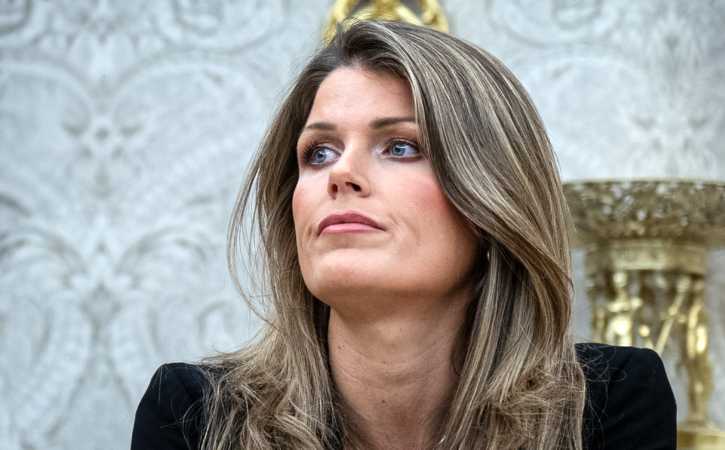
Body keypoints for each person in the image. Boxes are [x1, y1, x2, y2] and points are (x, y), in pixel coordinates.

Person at [131, 20, 676, 450]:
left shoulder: (609, 403)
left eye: (400, 147)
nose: (340, 173)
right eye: (318, 153)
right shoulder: (194, 416)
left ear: (492, 203)